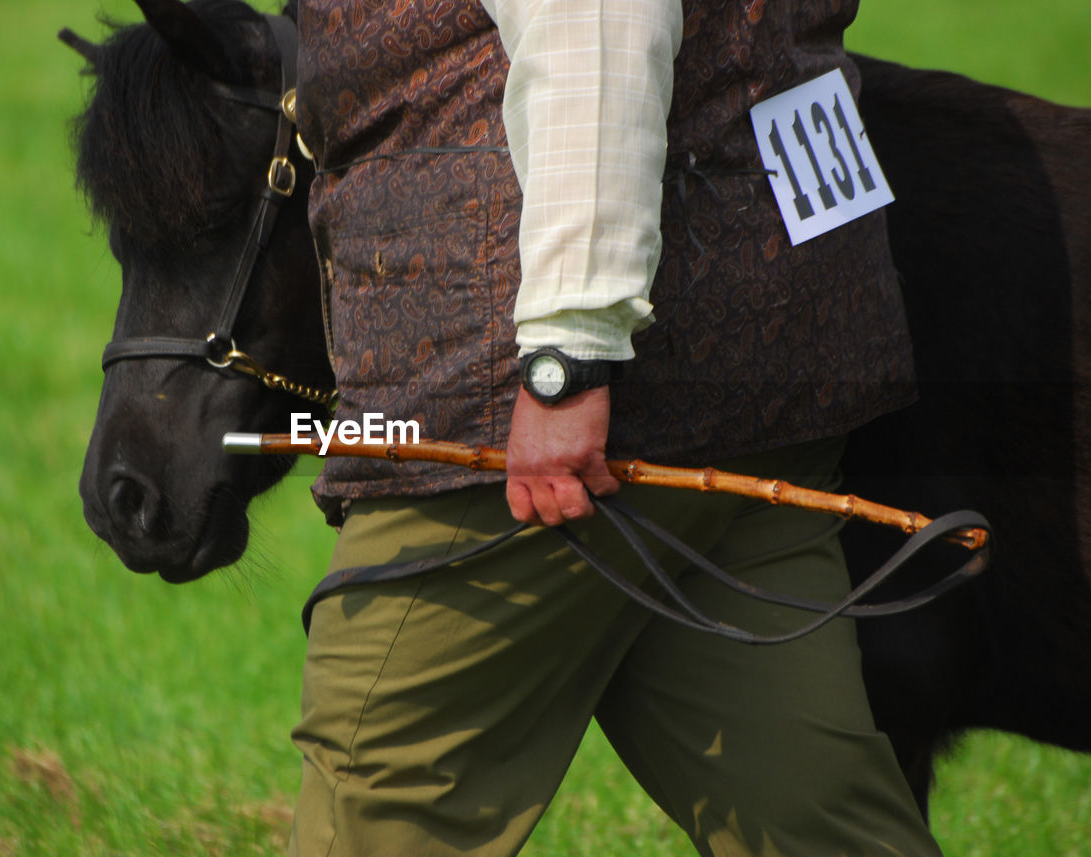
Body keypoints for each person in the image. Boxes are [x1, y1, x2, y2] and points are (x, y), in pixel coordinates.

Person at [289, 0, 938, 854]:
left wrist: (569, 356)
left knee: (381, 782)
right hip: (765, 375)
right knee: (813, 815)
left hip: (532, 411)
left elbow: (596, 15)